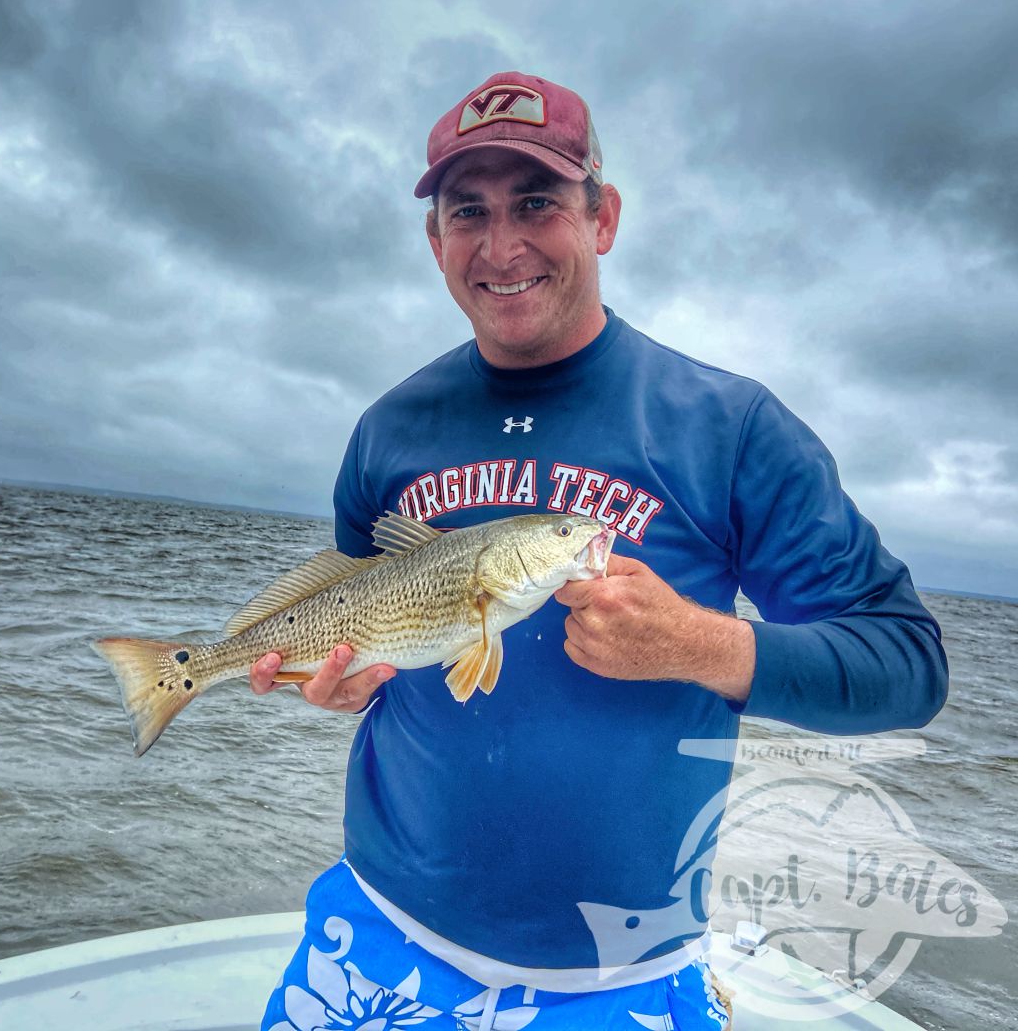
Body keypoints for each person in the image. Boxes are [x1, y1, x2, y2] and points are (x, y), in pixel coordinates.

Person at [254, 72, 949, 1031]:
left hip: (620, 979)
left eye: (536, 202)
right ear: (435, 240)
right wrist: (333, 681)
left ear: (603, 216)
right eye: (469, 212)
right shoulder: (386, 430)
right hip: (376, 931)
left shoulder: (729, 427)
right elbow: (362, 626)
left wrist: (703, 646)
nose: (502, 247)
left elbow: (908, 666)